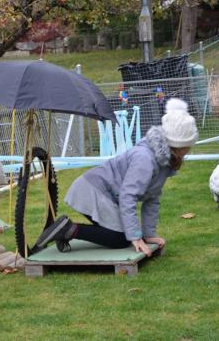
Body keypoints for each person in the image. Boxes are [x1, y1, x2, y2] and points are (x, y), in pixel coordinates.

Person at [36, 98, 199, 257]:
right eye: (189, 145)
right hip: (92, 190)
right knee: (121, 238)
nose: (190, 148)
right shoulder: (145, 159)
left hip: (105, 195)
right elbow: (128, 196)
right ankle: (67, 229)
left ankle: (65, 232)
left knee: (124, 234)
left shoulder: (163, 162)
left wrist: (148, 235)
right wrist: (135, 236)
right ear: (179, 145)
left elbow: (152, 199)